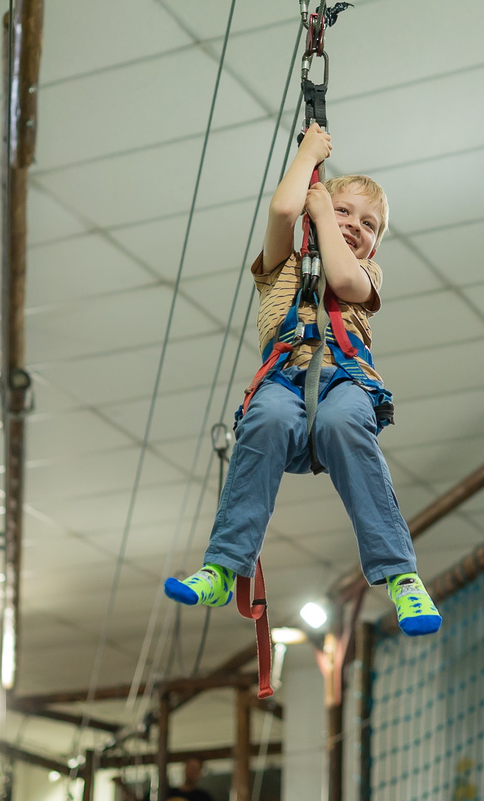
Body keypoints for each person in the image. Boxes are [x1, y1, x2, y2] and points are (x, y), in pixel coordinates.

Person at [164, 124, 441, 636]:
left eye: (369, 224)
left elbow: (342, 280)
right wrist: (310, 156)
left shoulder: (367, 276)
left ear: (374, 246)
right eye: (343, 211)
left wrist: (326, 216)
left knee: (343, 425)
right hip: (283, 380)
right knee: (264, 419)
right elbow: (282, 213)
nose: (355, 226)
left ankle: (401, 576)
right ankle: (225, 565)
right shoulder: (279, 268)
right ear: (316, 212)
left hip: (344, 381)